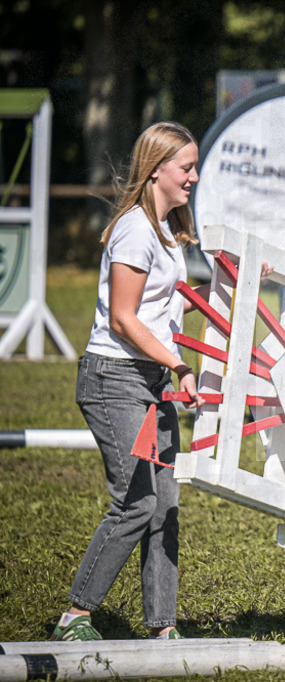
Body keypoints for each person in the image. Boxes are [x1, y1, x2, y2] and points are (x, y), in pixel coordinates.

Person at [51, 122, 206, 642]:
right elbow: (123, 318)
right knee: (137, 502)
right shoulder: (136, 229)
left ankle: (163, 628)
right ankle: (76, 616)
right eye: (186, 167)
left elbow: (165, 306)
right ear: (156, 169)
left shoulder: (165, 231)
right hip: (115, 379)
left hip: (150, 379)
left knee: (164, 505)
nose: (194, 176)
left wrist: (232, 282)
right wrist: (181, 366)